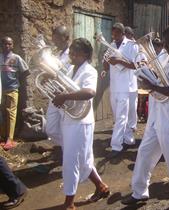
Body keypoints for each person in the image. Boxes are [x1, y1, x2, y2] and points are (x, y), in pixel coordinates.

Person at [122, 24, 169, 207]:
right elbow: (156, 74)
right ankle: (139, 191)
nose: (167, 46)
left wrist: (152, 86)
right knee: (145, 153)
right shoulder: (164, 54)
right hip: (157, 115)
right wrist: (145, 74)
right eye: (166, 42)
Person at [52, 38, 110, 210]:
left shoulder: (90, 71)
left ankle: (69, 202)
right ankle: (101, 187)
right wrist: (59, 92)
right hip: (69, 119)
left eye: (75, 52)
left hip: (80, 122)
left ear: (85, 54)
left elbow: (90, 92)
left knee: (71, 161)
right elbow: (65, 89)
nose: (71, 55)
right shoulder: (70, 68)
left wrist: (65, 96)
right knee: (83, 159)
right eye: (70, 52)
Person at [102, 23, 139, 158]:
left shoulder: (132, 45)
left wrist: (119, 61)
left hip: (126, 86)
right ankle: (129, 140)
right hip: (115, 86)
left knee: (122, 117)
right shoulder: (111, 45)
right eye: (113, 34)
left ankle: (116, 146)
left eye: (117, 34)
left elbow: (137, 65)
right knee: (120, 116)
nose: (114, 36)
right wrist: (106, 62)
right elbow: (105, 66)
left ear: (123, 33)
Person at [0, 36, 30, 150]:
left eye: (9, 44)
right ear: (1, 45)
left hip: (13, 89)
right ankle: (2, 136)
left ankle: (10, 138)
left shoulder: (16, 58)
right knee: (2, 113)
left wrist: (17, 81)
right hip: (1, 90)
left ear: (12, 45)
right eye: (4, 44)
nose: (7, 46)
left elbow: (26, 71)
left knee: (11, 113)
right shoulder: (0, 57)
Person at [46, 25, 71, 147]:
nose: (54, 41)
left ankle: (67, 151)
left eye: (57, 38)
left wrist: (54, 74)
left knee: (66, 127)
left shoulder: (73, 54)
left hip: (65, 96)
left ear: (66, 38)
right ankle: (66, 148)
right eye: (53, 38)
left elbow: (69, 76)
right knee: (50, 129)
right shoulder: (56, 54)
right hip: (53, 94)